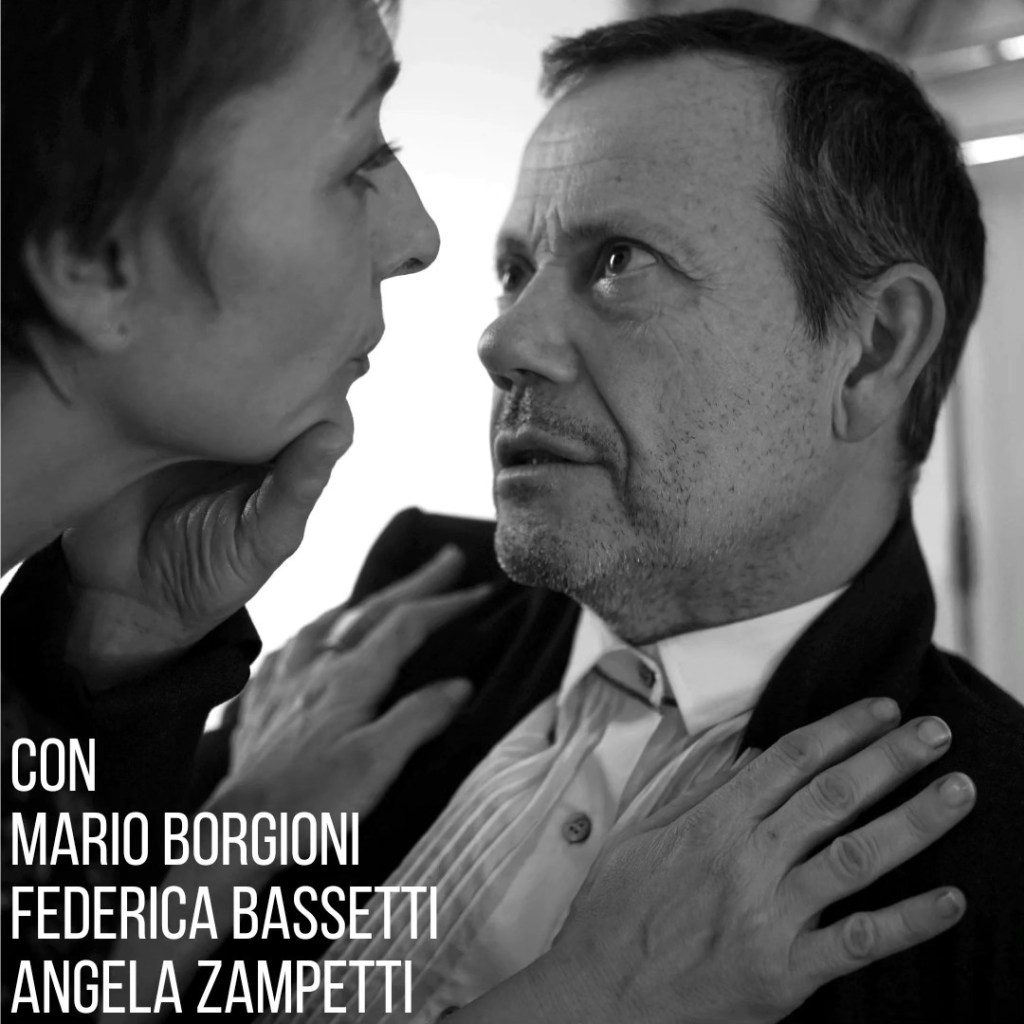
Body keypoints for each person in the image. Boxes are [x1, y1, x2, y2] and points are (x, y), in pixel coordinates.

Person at [0, 2, 980, 1022]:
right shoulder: (394, 641)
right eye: (515, 272)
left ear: (872, 350)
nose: (500, 339)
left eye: (619, 261)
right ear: (89, 255)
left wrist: (130, 665)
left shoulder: (989, 854)